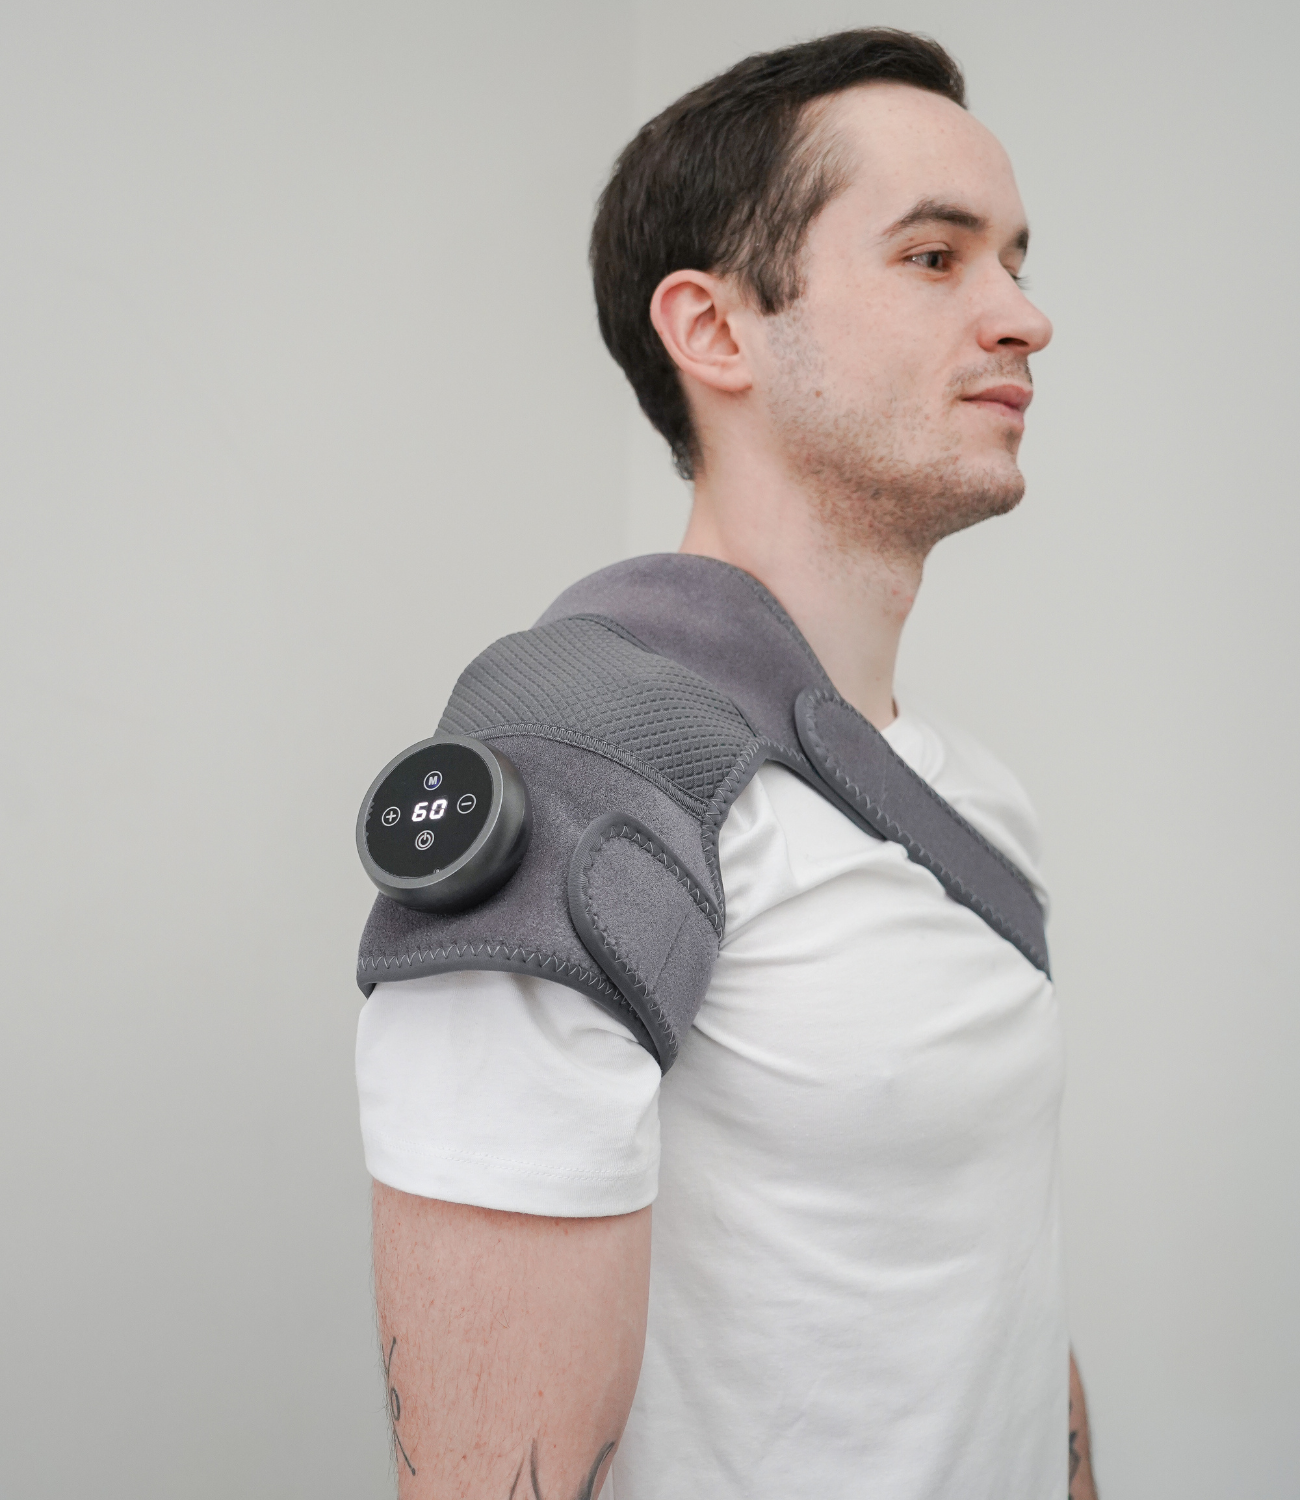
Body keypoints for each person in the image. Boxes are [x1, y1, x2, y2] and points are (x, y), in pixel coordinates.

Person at [356, 28, 1098, 1499]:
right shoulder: (588, 782)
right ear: (714, 329)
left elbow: (994, 1286)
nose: (1026, 317)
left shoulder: (977, 802)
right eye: (936, 257)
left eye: (1016, 260)